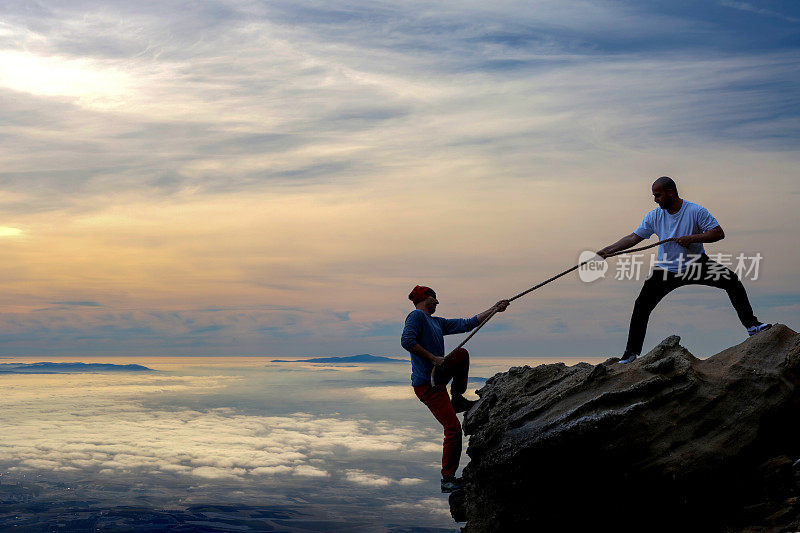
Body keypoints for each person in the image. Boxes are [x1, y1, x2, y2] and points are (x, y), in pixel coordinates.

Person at [597, 176, 771, 364]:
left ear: (670, 192)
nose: (655, 199)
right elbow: (633, 237)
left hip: (696, 265)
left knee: (732, 281)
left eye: (657, 195)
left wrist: (692, 238)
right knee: (641, 306)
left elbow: (718, 233)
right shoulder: (654, 216)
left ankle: (752, 326)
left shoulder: (695, 211)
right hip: (666, 270)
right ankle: (630, 354)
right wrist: (607, 251)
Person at [401, 285, 509, 492]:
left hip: (438, 379)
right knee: (452, 429)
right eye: (435, 298)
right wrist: (433, 358)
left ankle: (457, 397)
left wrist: (494, 309)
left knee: (461, 354)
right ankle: (447, 479)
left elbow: (467, 324)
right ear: (426, 297)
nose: (438, 302)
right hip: (428, 385)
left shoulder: (435, 322)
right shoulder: (416, 317)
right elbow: (407, 341)